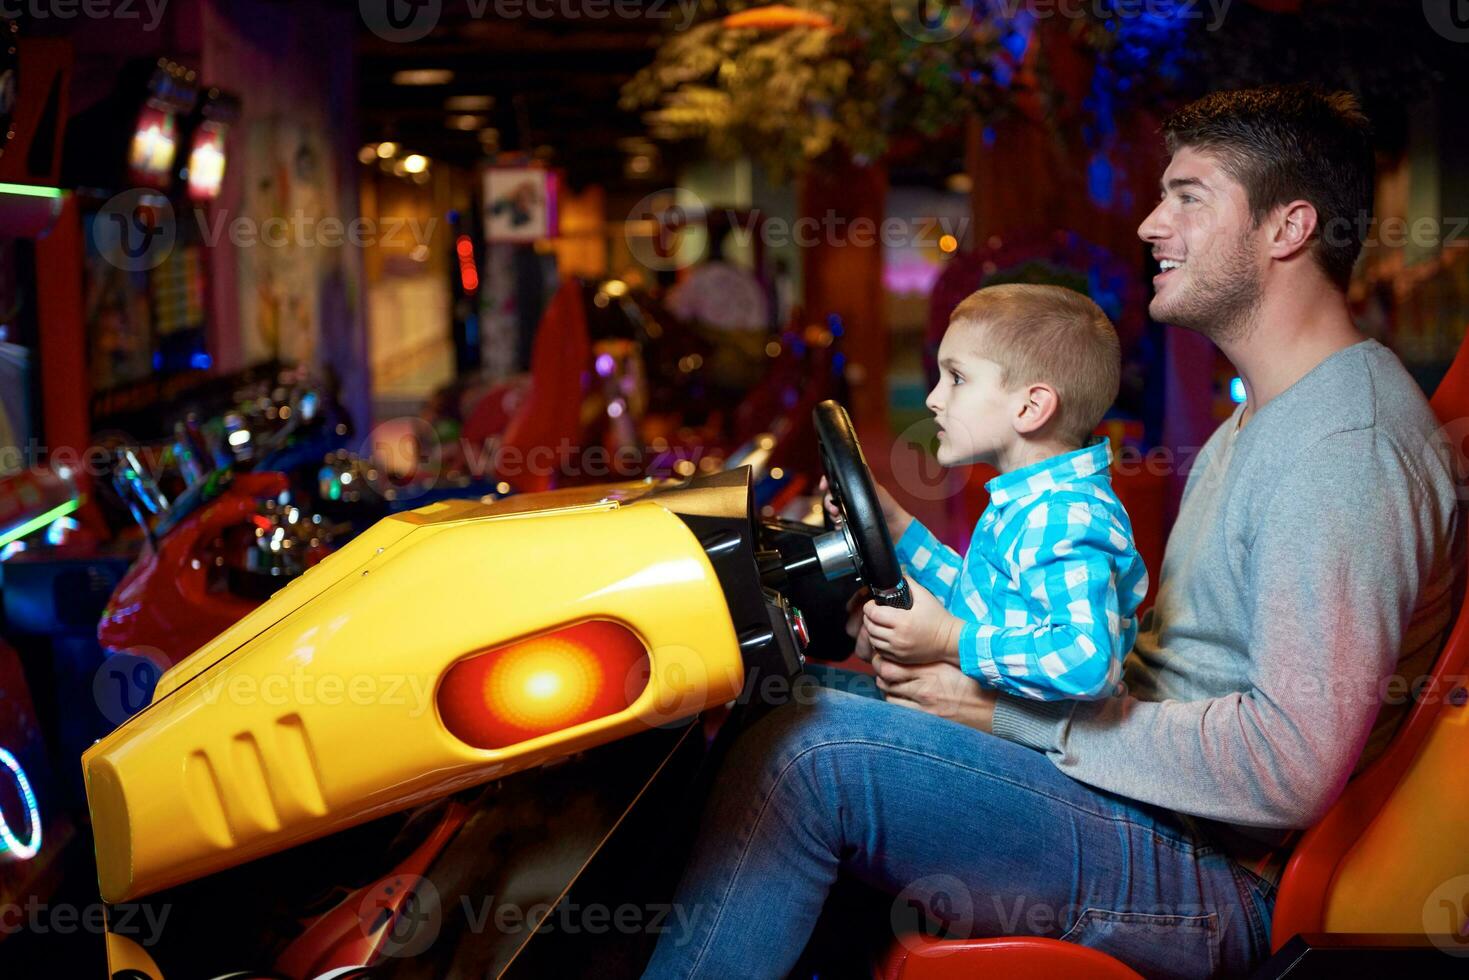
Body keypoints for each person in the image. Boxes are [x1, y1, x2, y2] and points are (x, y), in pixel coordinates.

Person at [641, 84, 1459, 980]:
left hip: (1222, 874)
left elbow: (1286, 766)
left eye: (1187, 197)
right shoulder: (1262, 418)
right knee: (785, 702)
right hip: (1154, 808)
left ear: (1286, 229)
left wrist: (1006, 714)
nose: (1150, 225)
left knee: (810, 759)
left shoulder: (1345, 448)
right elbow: (1161, 660)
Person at [828, 283, 1149, 704]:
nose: (933, 398)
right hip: (992, 727)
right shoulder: (1028, 501)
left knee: (797, 713)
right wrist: (895, 524)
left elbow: (1085, 661)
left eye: (956, 378)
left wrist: (946, 638)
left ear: (1030, 408)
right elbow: (979, 599)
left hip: (1028, 755)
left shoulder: (1063, 513)